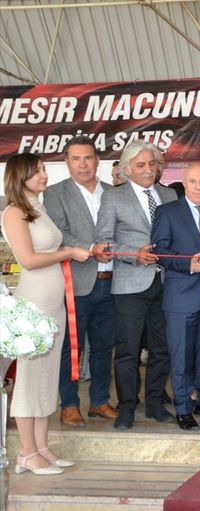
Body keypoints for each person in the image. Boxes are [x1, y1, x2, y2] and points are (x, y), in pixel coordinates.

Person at [2, 153, 90, 474]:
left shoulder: (39, 206)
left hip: (54, 300)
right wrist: (68, 252)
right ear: (20, 176)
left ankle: (42, 447)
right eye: (37, 171)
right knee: (30, 377)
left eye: (43, 169)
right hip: (34, 303)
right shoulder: (14, 212)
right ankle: (26, 452)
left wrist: (69, 251)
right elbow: (28, 260)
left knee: (48, 375)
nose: (44, 175)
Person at [93, 140, 177, 430]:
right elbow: (104, 242)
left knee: (162, 348)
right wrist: (133, 254)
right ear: (127, 169)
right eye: (141, 165)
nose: (148, 170)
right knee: (128, 351)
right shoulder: (113, 197)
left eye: (152, 163)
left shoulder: (169, 195)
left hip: (166, 282)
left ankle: (155, 404)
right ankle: (127, 406)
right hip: (130, 284)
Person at [43, 136, 118, 428]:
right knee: (71, 348)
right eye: (76, 159)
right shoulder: (55, 193)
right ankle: (70, 405)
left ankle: (99, 401)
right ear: (67, 162)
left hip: (112, 282)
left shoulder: (113, 192)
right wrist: (90, 248)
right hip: (76, 282)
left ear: (97, 160)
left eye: (88, 157)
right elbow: (59, 233)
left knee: (104, 346)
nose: (83, 164)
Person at [151, 164, 200, 430]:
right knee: (181, 356)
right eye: (193, 181)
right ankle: (183, 408)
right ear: (184, 183)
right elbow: (160, 251)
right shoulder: (167, 212)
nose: (198, 187)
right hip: (181, 297)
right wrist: (188, 264)